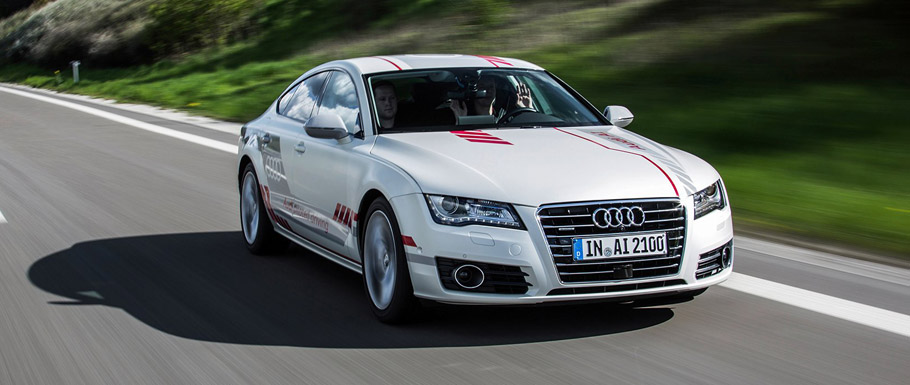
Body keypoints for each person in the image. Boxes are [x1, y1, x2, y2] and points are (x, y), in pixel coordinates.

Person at [449, 75, 534, 118]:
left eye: (491, 87)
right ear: (473, 92)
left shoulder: (506, 117)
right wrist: (461, 121)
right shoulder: (463, 114)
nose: (488, 91)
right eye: (482, 87)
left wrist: (526, 112)